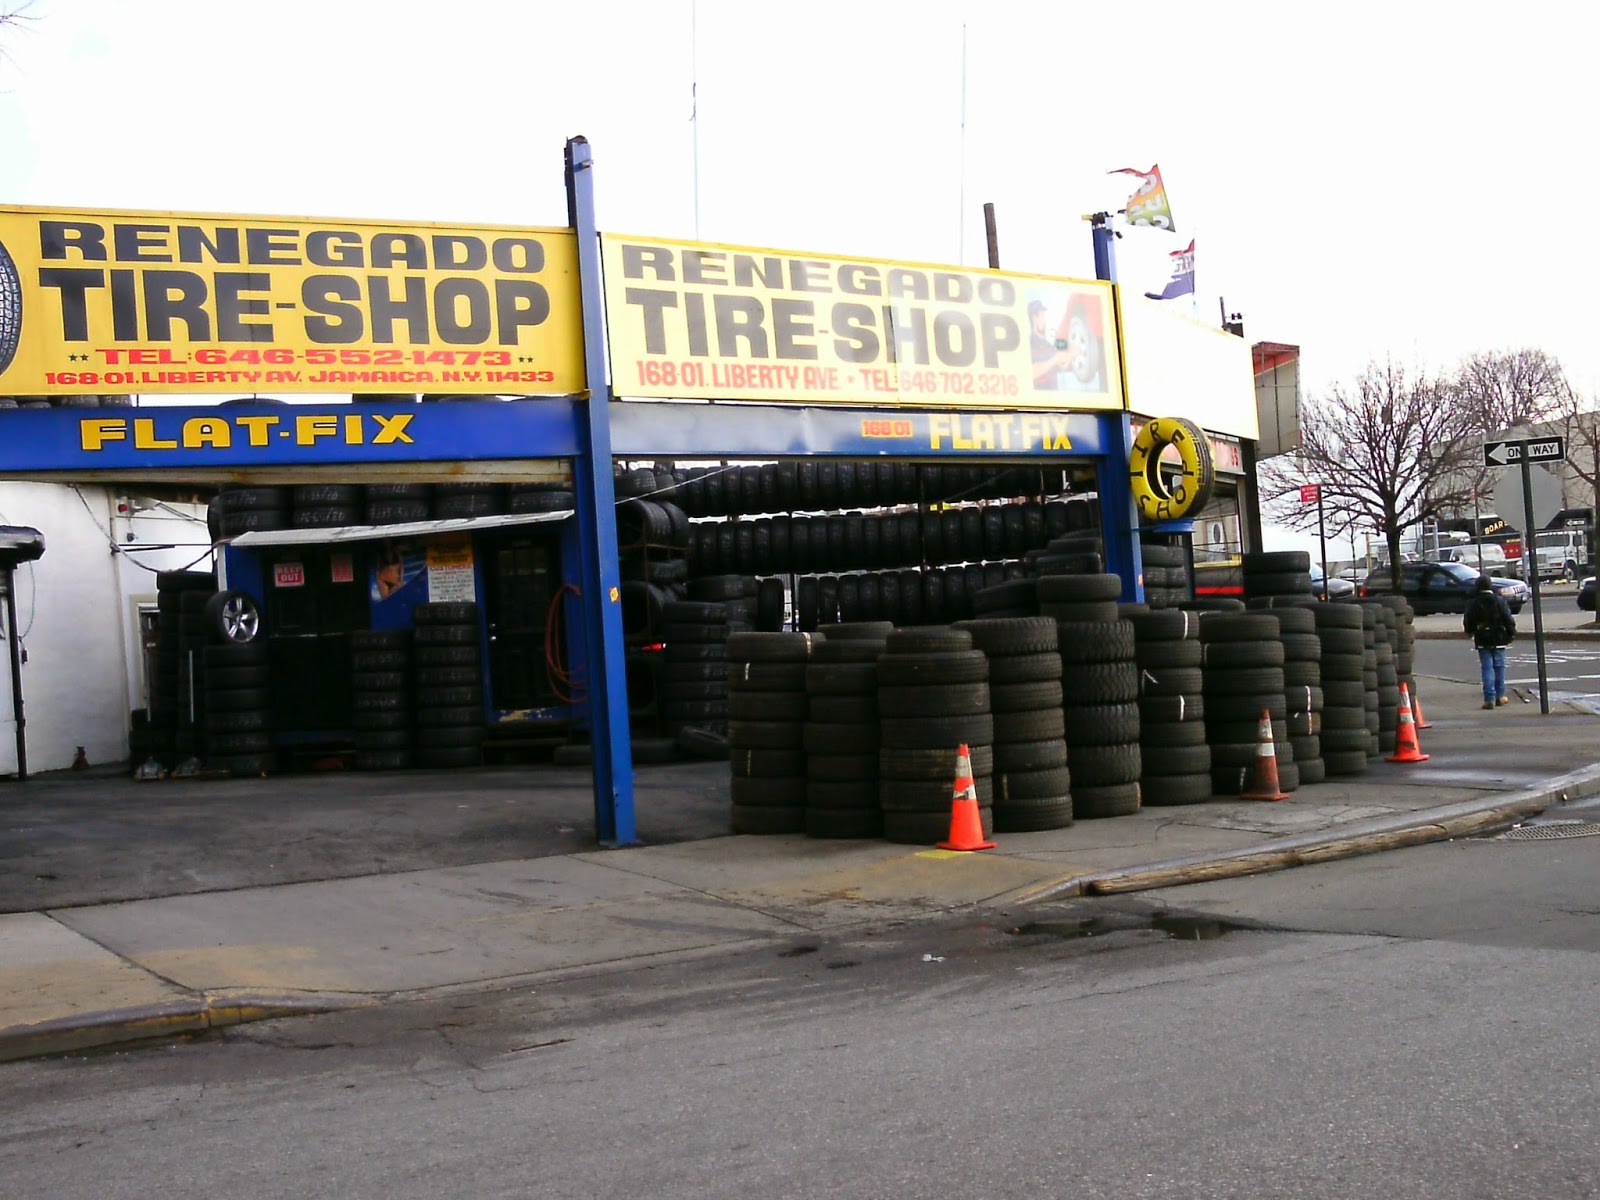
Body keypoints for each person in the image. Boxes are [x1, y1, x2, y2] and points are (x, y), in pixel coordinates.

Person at [1462, 574, 1515, 709]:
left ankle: (1489, 698)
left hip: (1482, 637)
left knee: (1487, 667)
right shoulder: (1499, 601)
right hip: (1498, 636)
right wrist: (1510, 634)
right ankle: (1500, 695)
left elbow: (1468, 620)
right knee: (1499, 667)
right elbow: (1508, 618)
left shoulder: (1474, 602)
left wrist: (1470, 632)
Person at [1029, 299, 1074, 389]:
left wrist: (1069, 354)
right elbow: (1030, 372)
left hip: (1054, 400)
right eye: (1042, 316)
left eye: (1045, 317)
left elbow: (1063, 364)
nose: (1045, 321)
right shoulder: (1029, 344)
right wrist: (1054, 360)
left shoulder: (1049, 344)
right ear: (1034, 318)